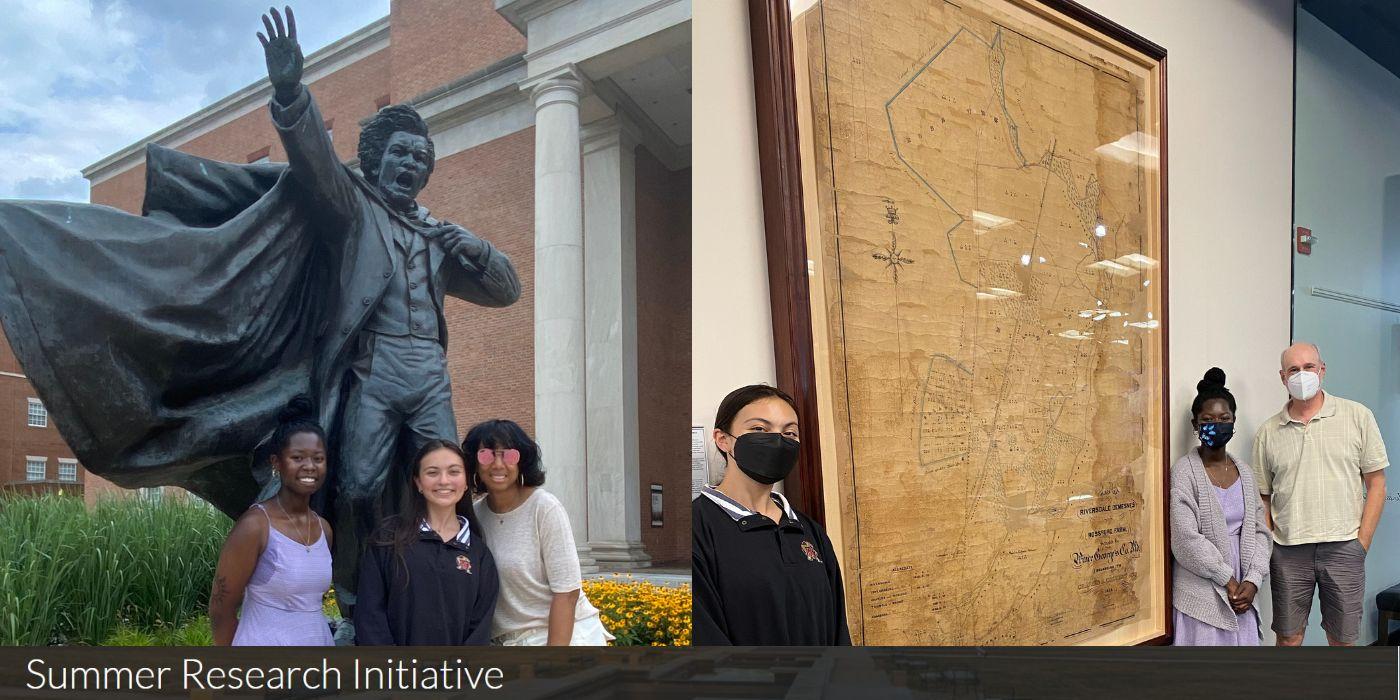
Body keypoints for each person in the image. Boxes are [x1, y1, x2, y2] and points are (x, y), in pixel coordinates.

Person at [692, 384, 851, 645]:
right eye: (759, 429)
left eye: (790, 433)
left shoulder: (808, 531)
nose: (778, 440)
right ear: (723, 439)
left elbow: (837, 631)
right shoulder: (698, 529)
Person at [1253, 342, 1388, 646]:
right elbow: (1263, 496)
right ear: (1282, 377)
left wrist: (1361, 544)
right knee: (1288, 638)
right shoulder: (1268, 432)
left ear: (1322, 370)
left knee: (1342, 640)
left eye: (1308, 367)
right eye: (1293, 370)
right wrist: (1273, 542)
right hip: (1288, 551)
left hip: (1344, 547)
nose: (1302, 375)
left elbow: (1377, 484)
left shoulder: (1357, 416)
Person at [467, 420, 612, 645]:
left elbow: (567, 592)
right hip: (509, 642)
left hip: (561, 636)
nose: (497, 464)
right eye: (486, 455)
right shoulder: (476, 516)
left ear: (522, 460)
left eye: (508, 455)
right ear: (474, 463)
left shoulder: (544, 508)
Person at [209, 395, 334, 646]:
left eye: (318, 458)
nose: (310, 466)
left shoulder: (324, 529)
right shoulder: (255, 526)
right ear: (277, 463)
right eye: (297, 458)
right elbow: (220, 611)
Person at [354, 440, 498, 645]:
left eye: (454, 472)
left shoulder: (479, 554)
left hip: (456, 675)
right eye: (432, 473)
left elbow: (480, 629)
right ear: (418, 483)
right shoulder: (388, 540)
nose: (444, 480)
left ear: (466, 481)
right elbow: (370, 617)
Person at [1169, 368, 1270, 645]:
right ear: (1195, 423)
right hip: (1202, 591)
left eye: (1224, 419)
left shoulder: (1246, 473)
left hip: (1243, 594)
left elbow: (1261, 532)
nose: (1217, 424)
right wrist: (1227, 579)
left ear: (1234, 422)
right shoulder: (1184, 472)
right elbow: (1185, 539)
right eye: (1208, 419)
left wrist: (1253, 580)